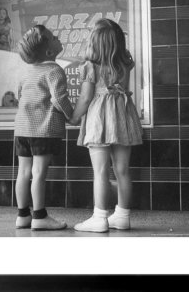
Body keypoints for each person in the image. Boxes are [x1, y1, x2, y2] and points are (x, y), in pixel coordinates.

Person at [69, 18, 143, 232]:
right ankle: (122, 215)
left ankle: (99, 217)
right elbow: (121, 89)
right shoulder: (124, 64)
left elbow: (85, 98)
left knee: (101, 171)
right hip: (122, 116)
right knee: (123, 170)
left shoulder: (90, 67)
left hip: (100, 119)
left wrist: (74, 118)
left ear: (94, 43)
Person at [14, 24, 73, 230]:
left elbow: (20, 97)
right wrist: (72, 116)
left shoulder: (26, 73)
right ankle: (39, 216)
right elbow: (59, 99)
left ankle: (23, 215)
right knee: (39, 173)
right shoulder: (54, 70)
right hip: (43, 129)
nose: (57, 37)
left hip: (22, 129)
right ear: (49, 51)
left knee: (23, 172)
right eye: (53, 36)